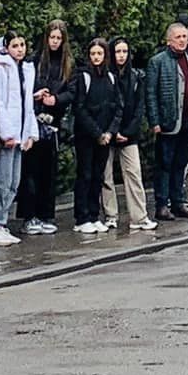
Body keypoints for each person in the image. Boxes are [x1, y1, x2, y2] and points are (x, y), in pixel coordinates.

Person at [0, 31, 36, 247]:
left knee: (13, 183)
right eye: (15, 45)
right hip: (8, 135)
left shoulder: (26, 69)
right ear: (6, 47)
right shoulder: (1, 68)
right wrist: (7, 132)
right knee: (0, 182)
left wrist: (30, 133)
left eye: (22, 44)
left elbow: (27, 104)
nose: (20, 49)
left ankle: (1, 223)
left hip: (20, 134)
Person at [144, 22, 188, 218]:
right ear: (169, 40)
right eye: (178, 37)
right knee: (164, 164)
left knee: (181, 163)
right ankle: (162, 205)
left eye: (184, 37)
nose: (182, 41)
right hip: (168, 121)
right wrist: (155, 120)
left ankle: (178, 202)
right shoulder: (158, 61)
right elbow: (151, 93)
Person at [20, 21, 72, 235]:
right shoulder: (34, 61)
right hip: (34, 119)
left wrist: (57, 99)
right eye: (52, 37)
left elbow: (72, 91)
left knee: (48, 173)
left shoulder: (67, 64)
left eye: (59, 38)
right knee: (30, 171)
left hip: (53, 122)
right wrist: (39, 98)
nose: (55, 42)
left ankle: (45, 215)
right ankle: (29, 216)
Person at [69, 36, 119, 235]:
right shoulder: (83, 77)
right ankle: (81, 217)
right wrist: (97, 132)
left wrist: (110, 132)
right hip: (86, 135)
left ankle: (93, 214)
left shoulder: (110, 77)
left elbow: (117, 107)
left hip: (105, 135)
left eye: (100, 53)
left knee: (98, 175)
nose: (96, 57)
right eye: (93, 54)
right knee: (85, 174)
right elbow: (79, 109)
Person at [104, 37, 156, 226]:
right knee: (106, 176)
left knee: (134, 173)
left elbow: (139, 107)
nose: (121, 55)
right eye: (118, 51)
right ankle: (111, 215)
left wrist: (129, 130)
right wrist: (113, 130)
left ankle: (139, 216)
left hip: (129, 133)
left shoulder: (135, 76)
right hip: (108, 132)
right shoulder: (106, 76)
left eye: (124, 51)